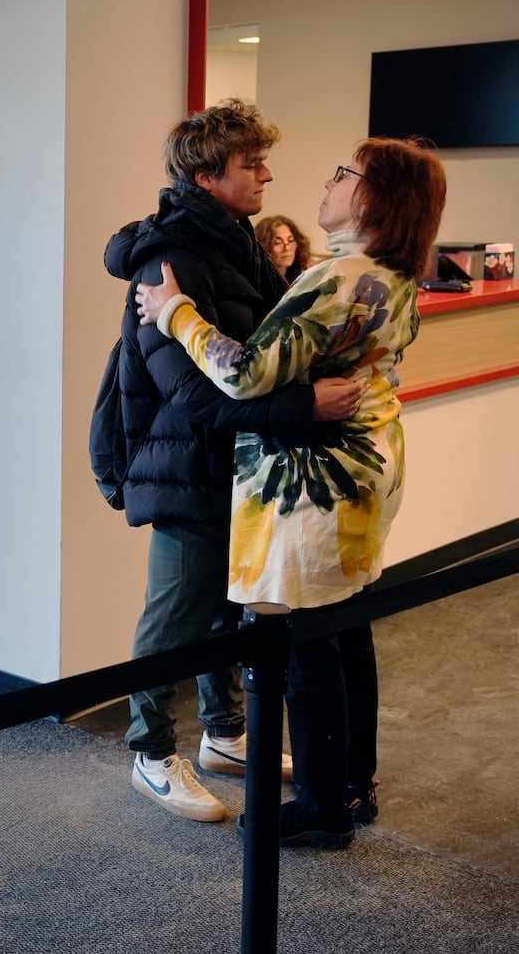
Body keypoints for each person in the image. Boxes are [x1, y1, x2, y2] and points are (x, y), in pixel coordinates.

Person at [135, 138, 447, 847]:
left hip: (316, 484)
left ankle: (319, 804)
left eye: (346, 173)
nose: (326, 182)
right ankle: (351, 782)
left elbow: (243, 374)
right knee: (346, 629)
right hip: (365, 472)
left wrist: (176, 309)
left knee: (306, 642)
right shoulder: (393, 275)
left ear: (375, 197)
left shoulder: (338, 278)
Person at [104, 100, 361, 823]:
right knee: (175, 617)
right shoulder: (169, 260)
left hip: (239, 465)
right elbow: (196, 397)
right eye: (252, 164)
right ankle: (149, 754)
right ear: (206, 173)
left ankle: (223, 735)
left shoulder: (239, 241)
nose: (268, 176)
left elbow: (269, 350)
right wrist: (302, 406)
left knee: (225, 606)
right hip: (186, 468)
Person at [254, 214, 313, 283]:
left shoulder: (301, 278)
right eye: (278, 243)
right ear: (264, 246)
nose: (287, 248)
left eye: (290, 240)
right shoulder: (256, 282)